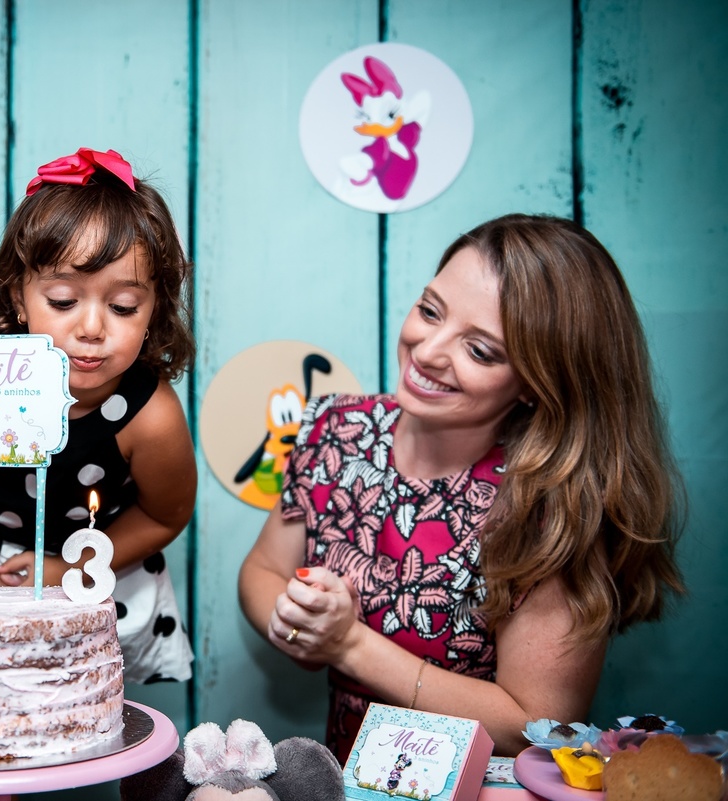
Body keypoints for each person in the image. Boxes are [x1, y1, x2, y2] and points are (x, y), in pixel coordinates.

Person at [238, 213, 685, 761]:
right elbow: (262, 571)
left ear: (536, 382)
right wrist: (297, 622)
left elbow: (536, 724)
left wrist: (350, 646)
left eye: (480, 350)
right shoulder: (338, 429)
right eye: (430, 311)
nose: (428, 351)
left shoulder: (547, 504)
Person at [0, 147, 197, 682]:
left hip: (89, 562)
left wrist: (70, 565)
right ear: (19, 297)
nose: (92, 328)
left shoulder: (151, 417)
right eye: (62, 300)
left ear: (155, 308)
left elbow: (165, 515)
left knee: (75, 709)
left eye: (122, 307)